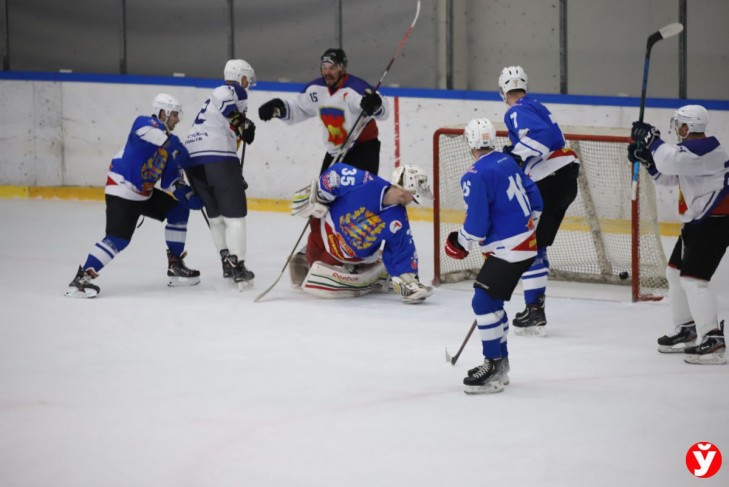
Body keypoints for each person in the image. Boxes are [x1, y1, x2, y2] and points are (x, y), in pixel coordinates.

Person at [65, 94, 204, 298]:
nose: (177, 120)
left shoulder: (170, 147)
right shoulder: (144, 124)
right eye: (174, 115)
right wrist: (175, 146)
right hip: (122, 189)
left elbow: (171, 181)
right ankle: (81, 279)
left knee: (179, 210)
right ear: (162, 113)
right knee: (118, 239)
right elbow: (158, 137)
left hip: (144, 194)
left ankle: (175, 264)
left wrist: (187, 195)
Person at [445, 118, 543, 394]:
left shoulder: (474, 175)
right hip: (526, 244)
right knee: (492, 301)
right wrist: (527, 227)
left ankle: (493, 365)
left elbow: (477, 225)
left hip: (508, 250)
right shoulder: (507, 160)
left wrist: (461, 242)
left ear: (470, 142)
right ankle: (501, 364)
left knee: (483, 301)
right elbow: (535, 198)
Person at [629, 105, 728, 365]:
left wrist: (651, 140)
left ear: (686, 127)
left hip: (715, 222)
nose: (675, 129)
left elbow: (670, 160)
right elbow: (669, 176)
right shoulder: (690, 152)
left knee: (694, 280)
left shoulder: (707, 149)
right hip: (699, 221)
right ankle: (688, 328)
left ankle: (713, 340)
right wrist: (647, 160)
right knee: (674, 273)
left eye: (678, 124)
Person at [498, 65, 580, 337]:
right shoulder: (536, 105)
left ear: (502, 91)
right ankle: (534, 307)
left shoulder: (516, 110)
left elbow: (541, 137)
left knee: (528, 243)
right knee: (538, 243)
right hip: (565, 182)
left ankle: (534, 310)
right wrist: (515, 151)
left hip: (549, 179)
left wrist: (516, 155)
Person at [290, 162, 434, 304]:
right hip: (323, 232)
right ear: (407, 188)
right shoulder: (364, 182)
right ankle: (307, 256)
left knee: (317, 264)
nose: (413, 200)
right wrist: (319, 193)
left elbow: (402, 249)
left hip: (347, 256)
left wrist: (409, 280)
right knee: (310, 260)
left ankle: (367, 267)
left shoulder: (399, 219)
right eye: (414, 196)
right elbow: (337, 172)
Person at [257, 48, 389, 176]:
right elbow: (298, 108)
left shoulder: (356, 88)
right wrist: (279, 109)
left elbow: (384, 110)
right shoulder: (316, 89)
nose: (327, 72)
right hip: (335, 151)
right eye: (324, 68)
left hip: (363, 148)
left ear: (342, 68)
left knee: (362, 190)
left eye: (332, 68)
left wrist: (376, 105)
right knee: (323, 190)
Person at [184, 59, 257, 287]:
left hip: (193, 162)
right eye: (247, 79)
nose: (248, 84)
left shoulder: (211, 105)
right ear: (241, 77)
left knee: (215, 217)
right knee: (235, 217)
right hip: (217, 157)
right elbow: (223, 97)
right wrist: (242, 123)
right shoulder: (231, 91)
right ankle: (238, 265)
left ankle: (226, 261)